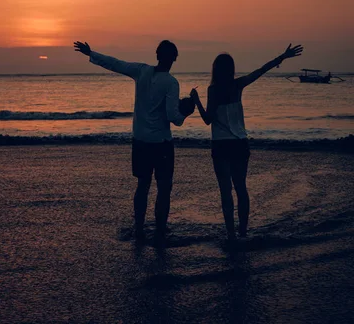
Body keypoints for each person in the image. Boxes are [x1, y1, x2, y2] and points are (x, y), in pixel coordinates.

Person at [74, 39, 195, 240]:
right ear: (174, 59)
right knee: (164, 188)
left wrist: (91, 53)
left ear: (157, 55)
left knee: (143, 185)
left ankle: (139, 228)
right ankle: (160, 230)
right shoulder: (171, 83)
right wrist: (187, 111)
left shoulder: (141, 71)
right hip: (161, 144)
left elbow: (115, 63)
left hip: (140, 140)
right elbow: (174, 118)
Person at [190, 43, 303, 243]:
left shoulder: (213, 90)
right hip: (240, 143)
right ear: (231, 69)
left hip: (221, 145)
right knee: (241, 188)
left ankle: (231, 235)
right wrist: (282, 57)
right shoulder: (238, 85)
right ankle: (243, 231)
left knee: (226, 191)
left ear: (215, 70)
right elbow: (261, 70)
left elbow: (207, 119)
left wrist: (196, 100)